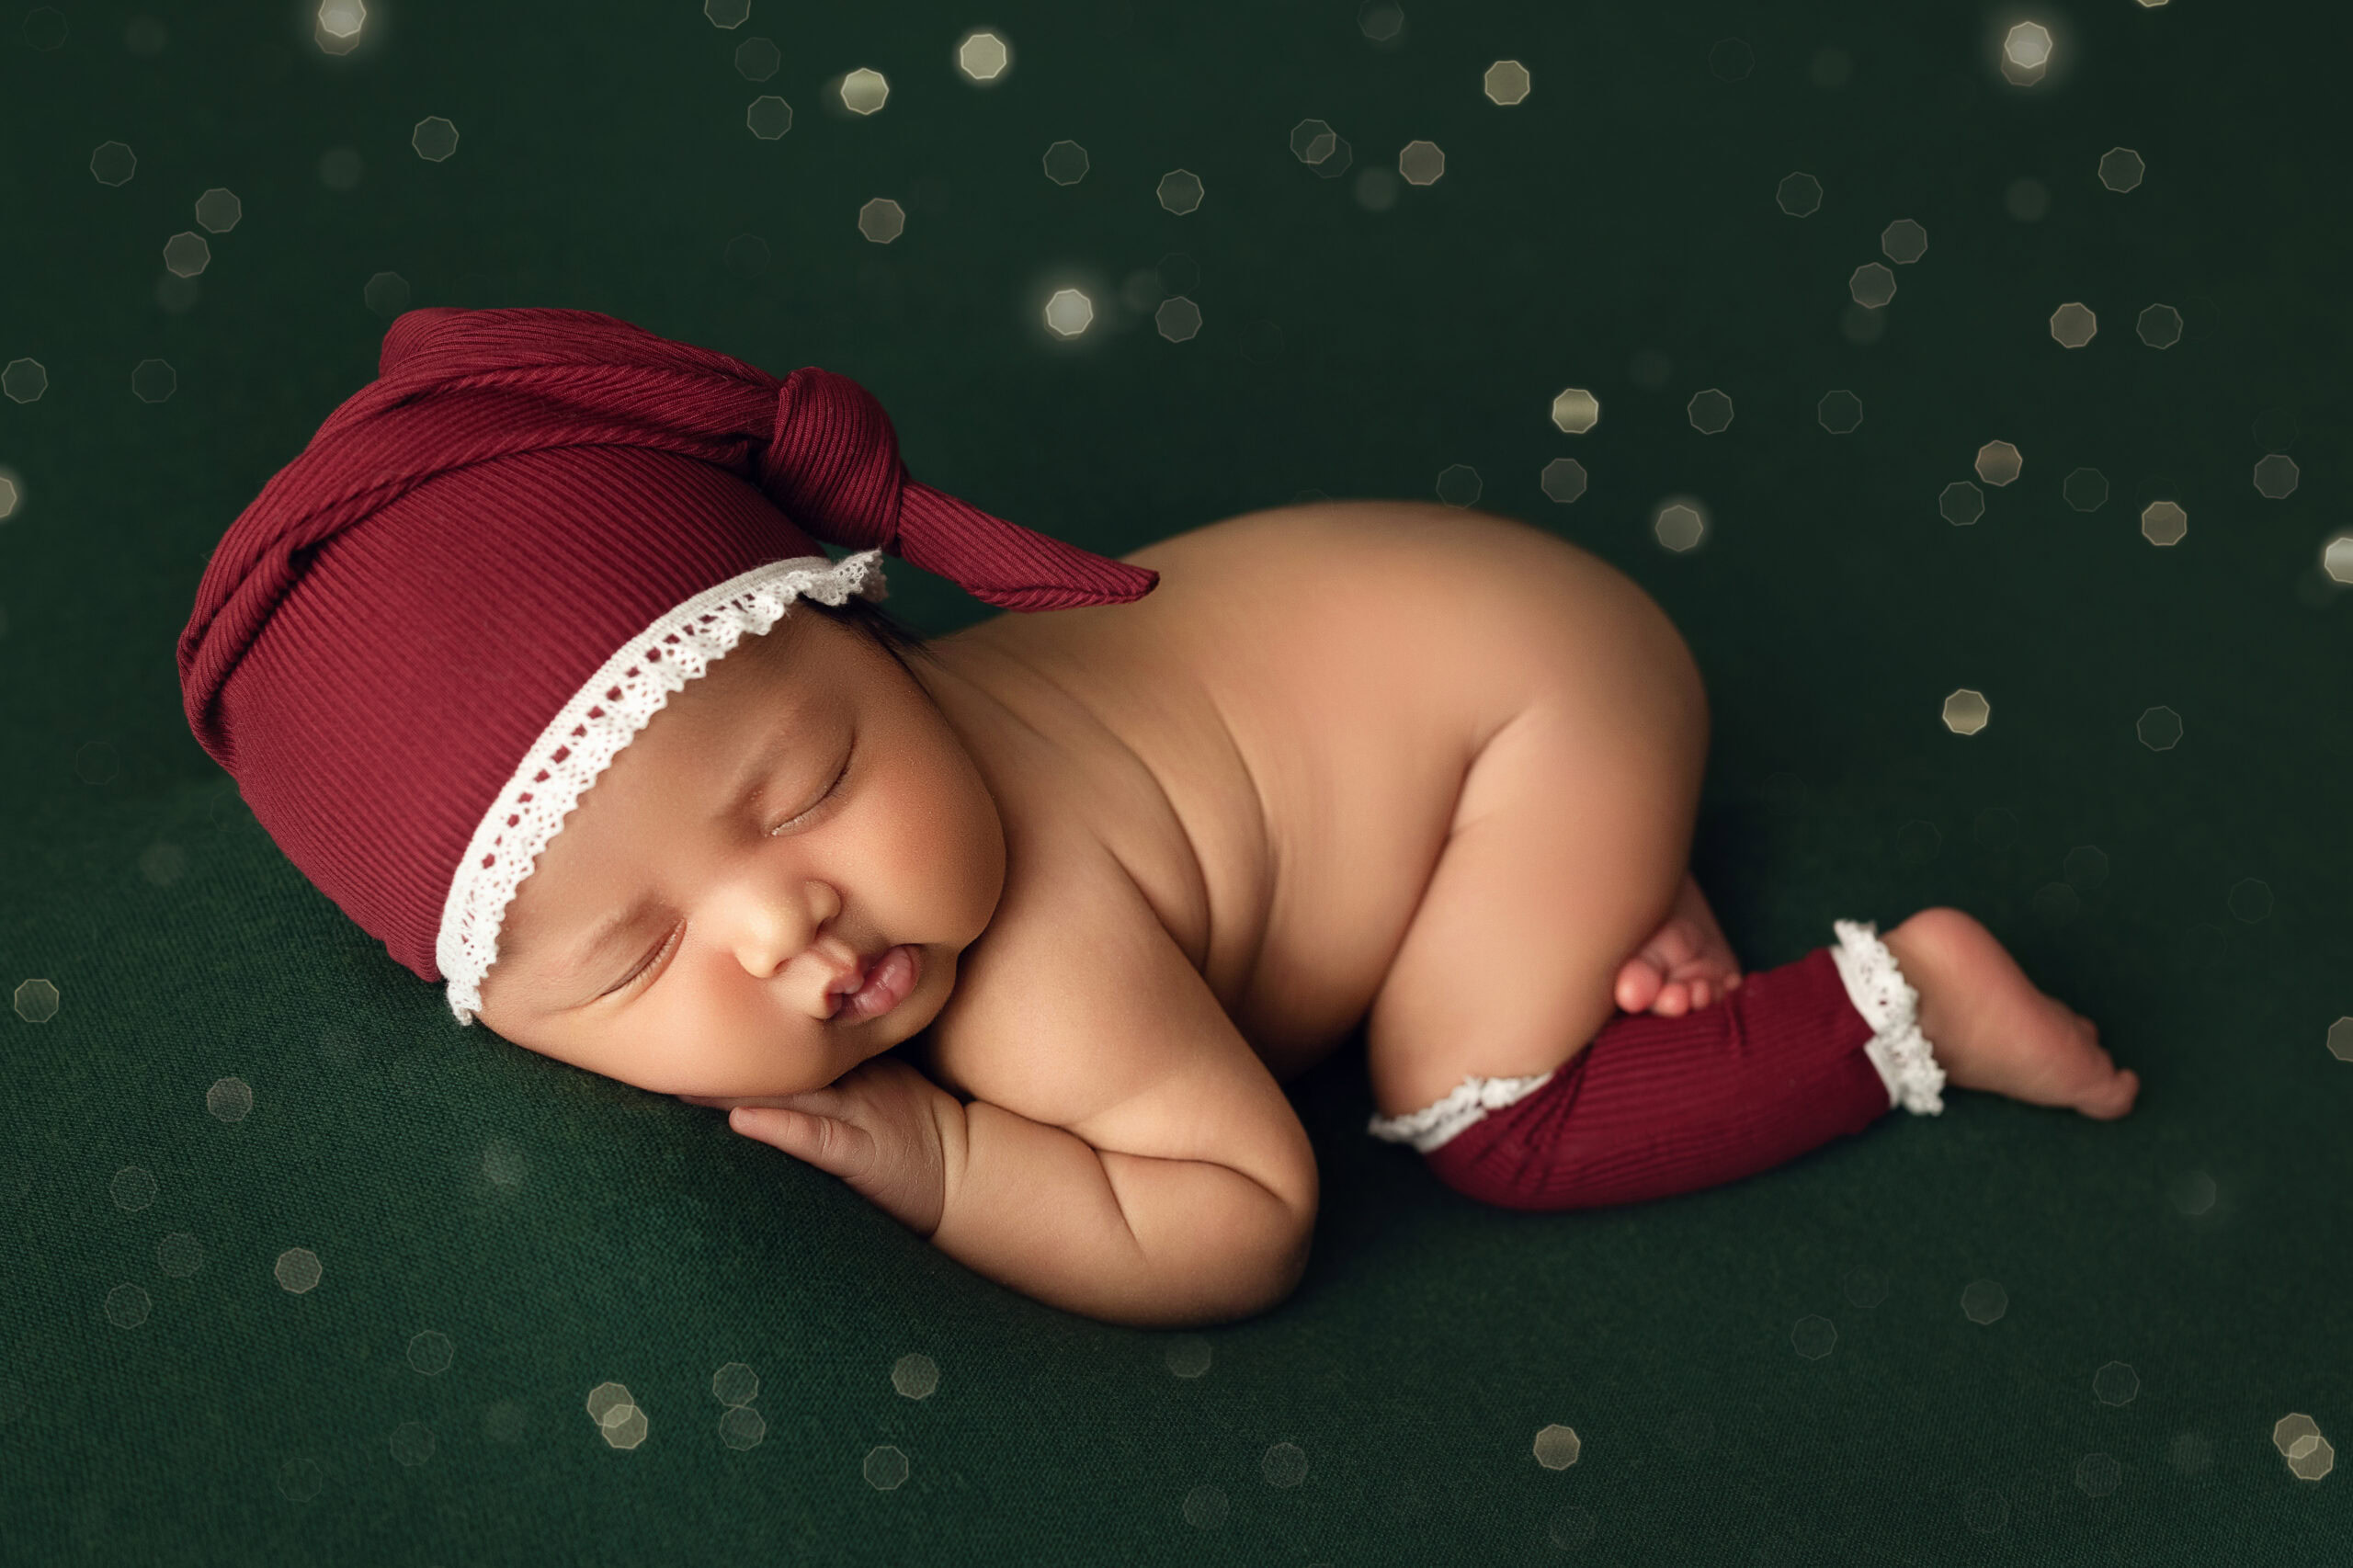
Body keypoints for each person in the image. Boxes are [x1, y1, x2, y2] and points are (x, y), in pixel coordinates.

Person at [178, 306, 2140, 1329]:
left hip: (1525, 704)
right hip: (1417, 624)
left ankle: (1905, 1005)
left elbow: (1238, 1217)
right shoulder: (876, 817)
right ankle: (1612, 874)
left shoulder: (1039, 978)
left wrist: (950, 1164)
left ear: (870, 621)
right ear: (489, 1006)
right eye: (634, 955)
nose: (787, 923)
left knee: (1491, 1121)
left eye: (819, 782)